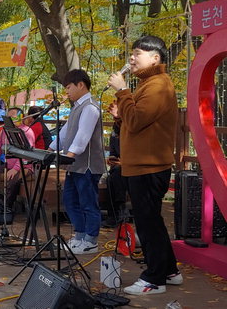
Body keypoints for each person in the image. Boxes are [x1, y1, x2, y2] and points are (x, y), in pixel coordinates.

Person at [107, 35, 181, 295]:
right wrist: (120, 116)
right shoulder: (147, 85)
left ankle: (154, 279)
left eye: (137, 53)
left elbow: (137, 122)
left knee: (148, 222)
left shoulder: (158, 85)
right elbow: (134, 123)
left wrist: (122, 90)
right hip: (140, 164)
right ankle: (169, 270)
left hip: (149, 166)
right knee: (151, 222)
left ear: (155, 58)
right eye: (132, 53)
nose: (132, 58)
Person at [47, 69, 105, 255]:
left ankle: (91, 240)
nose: (67, 92)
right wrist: (50, 149)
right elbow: (65, 134)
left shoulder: (90, 107)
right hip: (74, 165)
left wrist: (69, 155)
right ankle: (80, 236)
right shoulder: (76, 108)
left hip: (87, 165)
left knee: (88, 202)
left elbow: (82, 137)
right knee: (70, 200)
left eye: (69, 87)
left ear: (81, 85)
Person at [0, 108, 35, 211]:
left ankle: (8, 207)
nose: (10, 120)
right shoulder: (5, 131)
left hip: (24, 167)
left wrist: (15, 169)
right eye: (8, 117)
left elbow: (26, 154)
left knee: (11, 179)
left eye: (13, 117)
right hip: (8, 165)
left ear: (21, 117)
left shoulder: (27, 131)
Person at [102, 122, 126, 229]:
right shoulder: (114, 130)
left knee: (116, 174)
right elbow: (113, 152)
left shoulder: (132, 126)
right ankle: (115, 213)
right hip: (118, 167)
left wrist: (123, 162)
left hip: (133, 165)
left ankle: (118, 211)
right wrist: (111, 159)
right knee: (111, 178)